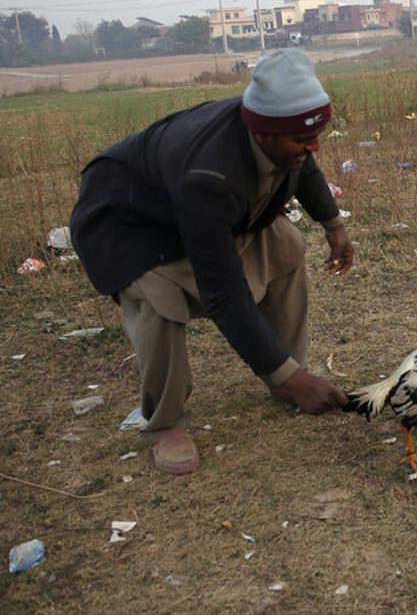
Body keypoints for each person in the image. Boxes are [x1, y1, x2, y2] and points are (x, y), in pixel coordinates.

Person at [70, 49, 353, 476]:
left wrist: (333, 225)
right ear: (262, 135)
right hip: (129, 225)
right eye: (301, 140)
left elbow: (305, 166)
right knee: (160, 300)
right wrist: (288, 377)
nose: (313, 146)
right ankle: (165, 424)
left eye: (317, 135)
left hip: (186, 212)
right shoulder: (209, 173)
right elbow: (223, 291)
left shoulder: (281, 131)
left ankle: (287, 373)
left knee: (285, 245)